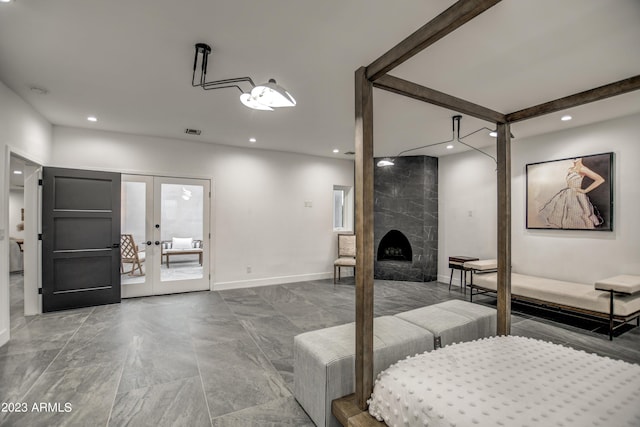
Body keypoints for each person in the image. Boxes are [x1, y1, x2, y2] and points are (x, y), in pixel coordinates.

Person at [539, 158, 605, 229]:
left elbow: (600, 179)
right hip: (567, 194)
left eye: (576, 158)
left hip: (577, 195)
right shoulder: (570, 169)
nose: (574, 159)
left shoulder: (582, 169)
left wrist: (585, 190)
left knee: (581, 215)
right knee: (565, 215)